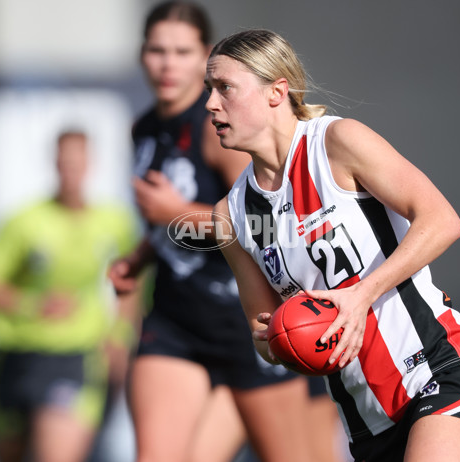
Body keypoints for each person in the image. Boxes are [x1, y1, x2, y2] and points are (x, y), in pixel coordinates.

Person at [208, 29, 460, 462]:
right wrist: (277, 339)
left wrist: (362, 295)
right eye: (209, 90)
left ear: (276, 91)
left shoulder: (336, 144)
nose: (211, 104)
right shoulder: (231, 215)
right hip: (366, 421)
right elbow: (267, 337)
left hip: (439, 369)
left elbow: (442, 221)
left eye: (225, 88)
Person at [108, 3, 317, 462]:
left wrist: (175, 211)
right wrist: (140, 256)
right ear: (141, 55)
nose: (167, 64)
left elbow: (267, 223)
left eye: (182, 52)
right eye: (157, 50)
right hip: (173, 320)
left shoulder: (221, 129)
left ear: (205, 57)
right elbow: (167, 227)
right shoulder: (143, 128)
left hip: (245, 322)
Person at [0, 129, 139, 462]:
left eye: (79, 162)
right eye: (65, 162)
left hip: (75, 356)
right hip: (17, 355)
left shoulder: (114, 221)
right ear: (55, 163)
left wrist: (120, 337)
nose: (71, 170)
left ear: (91, 165)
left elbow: (132, 283)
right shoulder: (24, 221)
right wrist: (31, 305)